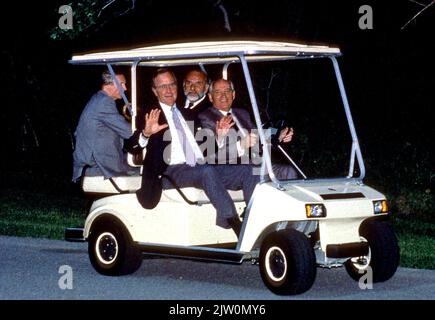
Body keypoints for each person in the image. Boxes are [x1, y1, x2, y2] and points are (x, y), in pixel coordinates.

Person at [124, 68, 259, 236]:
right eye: (162, 86)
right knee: (206, 171)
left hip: (201, 166)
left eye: (172, 85)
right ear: (154, 91)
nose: (168, 90)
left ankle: (253, 217)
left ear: (177, 87)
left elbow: (205, 148)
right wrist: (146, 133)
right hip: (171, 171)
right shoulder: (149, 115)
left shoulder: (187, 113)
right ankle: (234, 223)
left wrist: (219, 137)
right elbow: (130, 146)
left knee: (249, 170)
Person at [198, 78, 297, 180]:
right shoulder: (205, 117)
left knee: (288, 171)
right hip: (232, 168)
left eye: (227, 91)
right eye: (218, 92)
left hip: (257, 163)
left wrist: (278, 133)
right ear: (210, 97)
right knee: (255, 173)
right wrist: (240, 144)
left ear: (233, 94)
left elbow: (257, 133)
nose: (223, 95)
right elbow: (212, 154)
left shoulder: (242, 113)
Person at [72, 70, 139, 183]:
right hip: (97, 167)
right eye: (121, 84)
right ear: (108, 85)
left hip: (97, 163)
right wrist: (146, 129)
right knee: (146, 175)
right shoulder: (104, 102)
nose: (125, 88)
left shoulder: (98, 99)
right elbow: (128, 132)